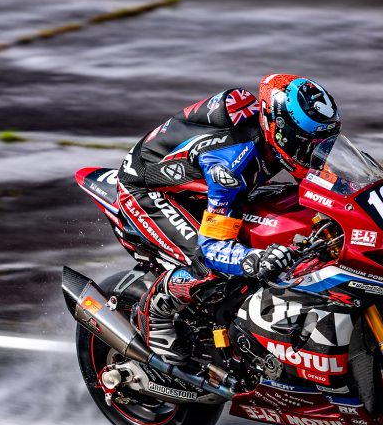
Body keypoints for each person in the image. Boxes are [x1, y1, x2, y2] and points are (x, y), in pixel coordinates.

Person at [116, 73, 341, 364]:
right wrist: (255, 259)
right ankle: (154, 311)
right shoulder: (230, 164)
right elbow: (214, 248)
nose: (316, 151)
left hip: (199, 184)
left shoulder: (273, 134)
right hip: (148, 190)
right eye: (308, 142)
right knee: (214, 267)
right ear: (281, 131)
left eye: (325, 142)